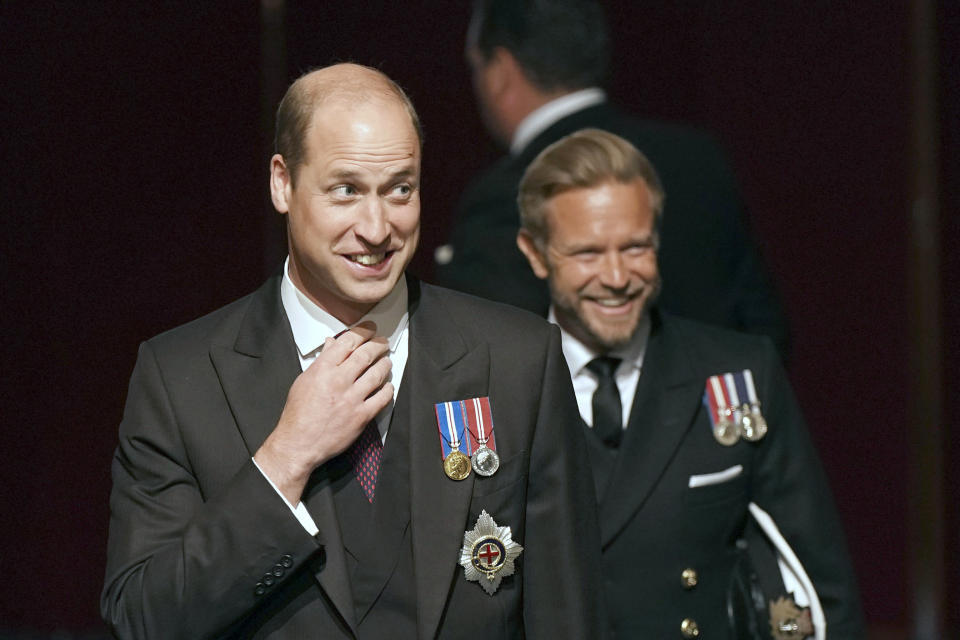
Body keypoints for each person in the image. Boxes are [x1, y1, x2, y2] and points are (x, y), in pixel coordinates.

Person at [101, 63, 602, 640]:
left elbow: (568, 615)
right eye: (346, 190)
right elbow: (144, 619)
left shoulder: (519, 360)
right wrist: (287, 456)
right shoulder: (180, 378)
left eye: (400, 190)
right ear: (282, 184)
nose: (376, 227)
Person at [515, 128, 864, 639]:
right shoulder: (495, 383)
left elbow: (820, 583)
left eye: (635, 247)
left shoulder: (738, 374)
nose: (616, 277)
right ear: (536, 252)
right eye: (588, 253)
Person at [435, 0, 789, 359]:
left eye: (636, 246)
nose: (617, 277)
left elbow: (488, 361)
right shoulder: (697, 157)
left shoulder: (505, 192)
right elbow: (763, 333)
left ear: (499, 71)